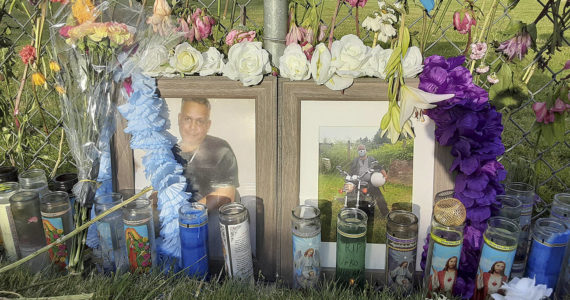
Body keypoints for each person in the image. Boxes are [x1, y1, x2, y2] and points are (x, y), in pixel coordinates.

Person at [173, 98, 240, 207]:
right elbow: (158, 192)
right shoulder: (168, 152)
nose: (192, 127)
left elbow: (226, 196)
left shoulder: (221, 150)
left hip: (212, 216)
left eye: (199, 121)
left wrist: (188, 214)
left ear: (207, 125)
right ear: (179, 119)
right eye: (187, 119)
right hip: (177, 217)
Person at [349, 144, 389, 216]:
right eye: (359, 150)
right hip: (358, 182)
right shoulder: (355, 160)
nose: (361, 151)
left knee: (378, 195)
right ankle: (354, 210)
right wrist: (350, 179)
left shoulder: (371, 159)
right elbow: (351, 171)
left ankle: (385, 213)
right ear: (358, 152)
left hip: (370, 182)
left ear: (365, 150)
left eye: (362, 149)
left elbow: (380, 168)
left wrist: (385, 176)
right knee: (351, 193)